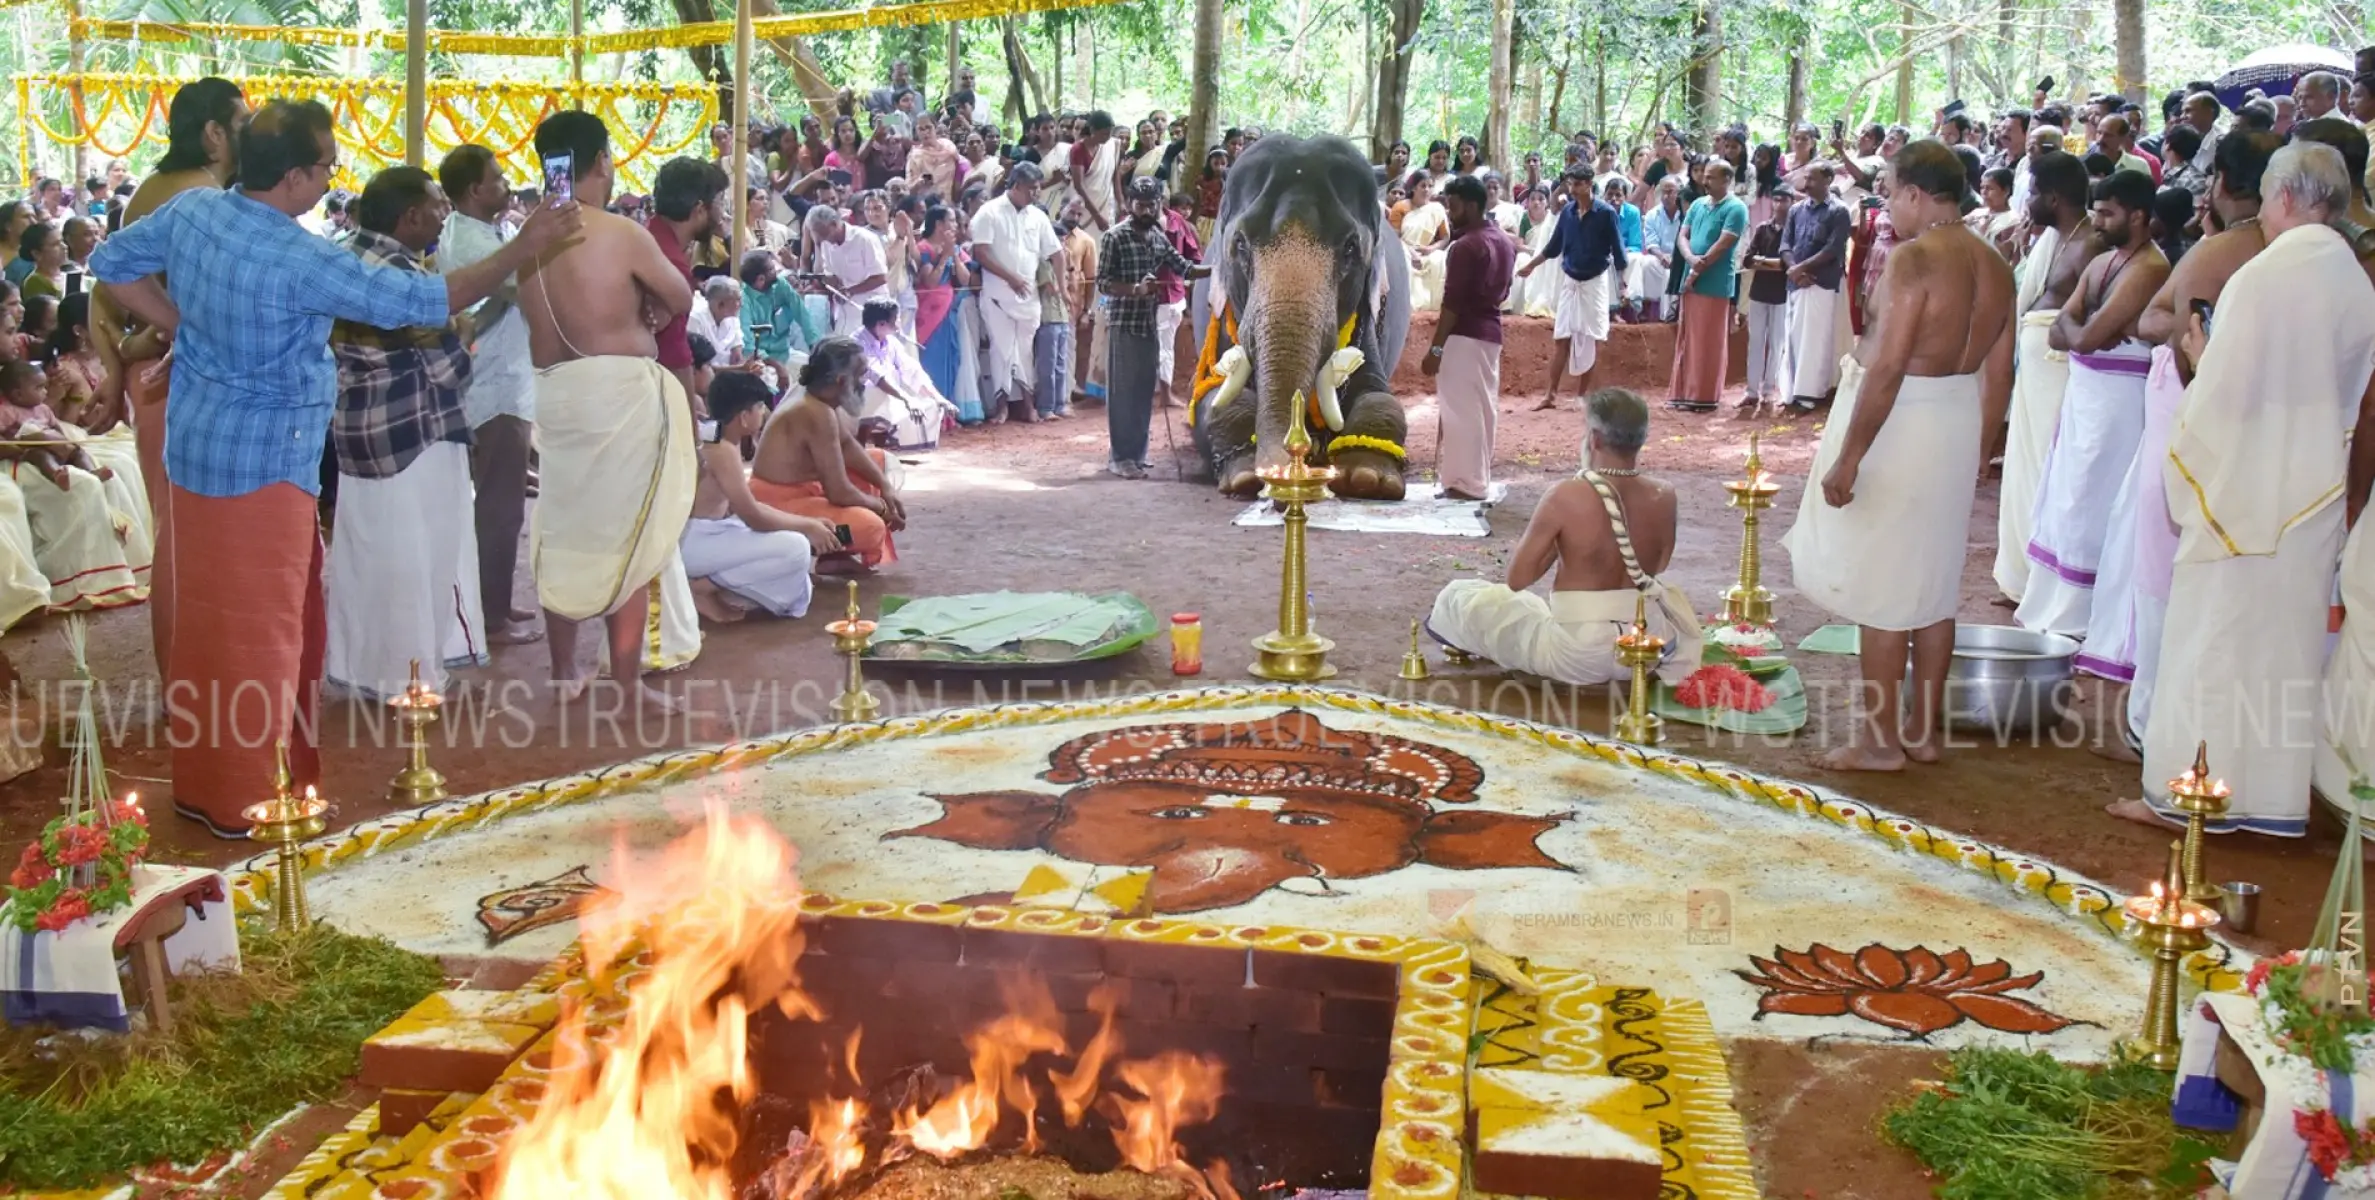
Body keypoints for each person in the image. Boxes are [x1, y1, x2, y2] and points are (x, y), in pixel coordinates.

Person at [89, 99, 571, 835]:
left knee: (212, 627)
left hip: (196, 451)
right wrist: (521, 247)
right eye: (325, 167)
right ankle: (251, 800)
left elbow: (111, 262)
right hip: (267, 462)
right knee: (265, 635)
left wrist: (182, 327)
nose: (330, 179)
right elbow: (427, 299)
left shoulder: (193, 215)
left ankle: (204, 783)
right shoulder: (299, 257)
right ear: (292, 178)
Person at [2108, 143, 2375, 837]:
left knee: (2212, 644)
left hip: (2242, 487)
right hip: (2314, 484)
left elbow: (2221, 391)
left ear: (2280, 196)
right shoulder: (2352, 279)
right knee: (2282, 651)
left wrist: (2197, 356)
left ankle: (2182, 795)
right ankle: (2273, 801)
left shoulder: (2263, 276)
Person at [1782, 139, 2015, 771]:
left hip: (1901, 423)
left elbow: (1886, 370)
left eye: (1888, 190)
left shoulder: (1914, 262)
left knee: (1886, 585)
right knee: (1932, 586)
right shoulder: (1995, 264)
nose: (1886, 204)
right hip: (1955, 422)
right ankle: (1923, 730)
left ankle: (1882, 740)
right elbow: (2000, 373)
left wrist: (1850, 456)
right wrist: (1980, 450)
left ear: (1916, 193)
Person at [2090, 130, 2281, 762]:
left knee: (2160, 565)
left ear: (2223, 183)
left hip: (2187, 416)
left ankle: (2150, 723)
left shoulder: (2221, 249)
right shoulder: (2298, 253)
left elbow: (2158, 323)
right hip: (2254, 432)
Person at [513, 113, 697, 714]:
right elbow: (680, 295)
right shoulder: (619, 232)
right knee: (628, 530)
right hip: (616, 388)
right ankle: (624, 681)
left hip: (558, 391)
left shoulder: (528, 238)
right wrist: (654, 312)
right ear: (599, 162)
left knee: (565, 524)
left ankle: (565, 668)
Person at [89, 78, 244, 678]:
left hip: (153, 375)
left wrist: (116, 361)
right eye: (243, 121)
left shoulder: (152, 190)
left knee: (178, 532)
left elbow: (102, 296)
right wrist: (174, 328)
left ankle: (188, 678)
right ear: (213, 133)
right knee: (192, 536)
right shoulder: (201, 199)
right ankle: (194, 681)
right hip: (179, 379)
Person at [322, 165, 488, 701]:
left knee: (368, 556)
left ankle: (364, 672)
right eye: (439, 206)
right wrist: (464, 333)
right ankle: (416, 680)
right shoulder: (405, 277)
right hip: (416, 432)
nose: (445, 216)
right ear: (410, 216)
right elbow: (448, 371)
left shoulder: (342, 256)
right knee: (421, 559)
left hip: (356, 428)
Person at [1427, 388, 1704, 684]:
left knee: (1460, 597)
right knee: (1530, 610)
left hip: (1579, 656)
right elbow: (1659, 565)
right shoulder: (1665, 495)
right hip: (1646, 645)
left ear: (1594, 439)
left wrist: (1565, 542)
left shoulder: (1566, 496)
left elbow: (1517, 580)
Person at [2015, 169, 2169, 641]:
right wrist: (2085, 334)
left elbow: (2087, 333)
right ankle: (2053, 608)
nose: (2097, 221)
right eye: (2096, 211)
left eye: (2107, 213)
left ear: (2138, 216)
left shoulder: (2151, 267)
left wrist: (2083, 334)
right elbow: (2066, 323)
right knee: (2066, 497)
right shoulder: (2105, 261)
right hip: (2083, 396)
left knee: (2094, 502)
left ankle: (2085, 618)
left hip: (2119, 405)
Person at [437, 145, 543, 649]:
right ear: (476, 191)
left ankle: (494, 603)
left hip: (503, 382)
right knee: (500, 506)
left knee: (503, 503)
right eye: (498, 179)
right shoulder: (475, 242)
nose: (506, 185)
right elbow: (518, 293)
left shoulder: (480, 233)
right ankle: (491, 616)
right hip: (493, 388)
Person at [1994, 150, 2101, 606]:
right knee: (2022, 471)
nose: (2028, 200)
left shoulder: (2091, 243)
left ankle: (2041, 584)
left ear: (2054, 197)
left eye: (2034, 192)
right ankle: (2017, 577)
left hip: (2059, 376)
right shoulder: (2049, 238)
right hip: (2034, 375)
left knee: (2047, 474)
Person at [681, 371, 838, 622]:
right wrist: (807, 525)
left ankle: (706, 586)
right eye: (759, 406)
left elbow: (746, 508)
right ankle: (701, 589)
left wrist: (810, 523)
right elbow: (753, 515)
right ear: (744, 417)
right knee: (797, 548)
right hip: (693, 543)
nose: (764, 411)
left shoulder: (716, 438)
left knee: (796, 540)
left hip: (705, 534)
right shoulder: (721, 449)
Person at [750, 336, 907, 571]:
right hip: (776, 504)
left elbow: (846, 446)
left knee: (878, 461)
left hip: (804, 491)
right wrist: (882, 509)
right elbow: (839, 492)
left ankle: (833, 557)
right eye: (861, 375)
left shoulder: (816, 398)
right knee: (869, 528)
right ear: (842, 380)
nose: (864, 383)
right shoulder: (815, 412)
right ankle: (813, 545)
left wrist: (884, 485)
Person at [1096, 178, 1207, 480]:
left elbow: (1183, 266)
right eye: (1140, 204)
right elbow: (1103, 282)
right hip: (1124, 323)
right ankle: (1120, 458)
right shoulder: (1114, 237)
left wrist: (1216, 267)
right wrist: (1134, 289)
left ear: (1160, 204)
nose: (1146, 209)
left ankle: (1138, 455)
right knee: (1123, 394)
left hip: (1149, 322)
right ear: (1129, 205)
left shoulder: (1157, 235)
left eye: (1152, 204)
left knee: (1145, 389)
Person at [1423, 175, 1516, 502]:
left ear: (1473, 206)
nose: (1449, 211)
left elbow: (1452, 303)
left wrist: (1435, 347)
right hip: (1491, 331)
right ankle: (1474, 478)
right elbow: (1506, 292)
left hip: (1464, 335)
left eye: (1454, 205)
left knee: (1461, 411)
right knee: (1482, 408)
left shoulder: (1465, 247)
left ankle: (1465, 483)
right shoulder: (1504, 240)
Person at [1516, 167, 1624, 411]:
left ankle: (1582, 396)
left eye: (1575, 185)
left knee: (1591, 337)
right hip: (1570, 280)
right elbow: (1554, 246)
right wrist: (1531, 266)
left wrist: (1623, 285)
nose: (1571, 190)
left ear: (1588, 184)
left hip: (1595, 281)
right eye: (1569, 184)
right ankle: (1550, 395)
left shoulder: (1606, 214)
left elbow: (1618, 251)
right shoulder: (1568, 212)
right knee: (1562, 337)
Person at [972, 162, 1065, 424]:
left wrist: (1061, 286)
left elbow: (1056, 254)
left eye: (1038, 188)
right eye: (1032, 189)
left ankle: (1028, 406)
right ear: (1015, 186)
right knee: (1001, 350)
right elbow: (981, 252)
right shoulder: (988, 212)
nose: (1037, 193)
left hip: (1029, 298)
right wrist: (1010, 277)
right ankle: (1002, 408)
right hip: (997, 295)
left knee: (1025, 351)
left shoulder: (1038, 216)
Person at [1667, 160, 1748, 413]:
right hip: (1691, 278)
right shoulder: (1699, 205)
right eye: (1705, 176)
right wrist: (1691, 260)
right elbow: (1683, 235)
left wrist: (1699, 267)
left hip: (1714, 282)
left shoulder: (1736, 208)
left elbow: (1725, 243)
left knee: (1708, 340)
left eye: (1712, 177)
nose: (1705, 181)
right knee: (1688, 337)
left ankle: (1704, 395)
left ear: (1727, 180)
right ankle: (1683, 392)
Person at [1780, 161, 1853, 412]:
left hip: (1822, 283)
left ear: (1829, 180)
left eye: (1812, 179)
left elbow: (1833, 249)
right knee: (1794, 336)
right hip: (1796, 283)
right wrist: (1794, 269)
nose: (1806, 184)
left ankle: (1810, 393)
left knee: (1816, 339)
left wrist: (1803, 268)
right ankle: (1791, 391)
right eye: (1805, 178)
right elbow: (1785, 244)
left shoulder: (1839, 211)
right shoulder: (1796, 210)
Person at [854, 298, 954, 451]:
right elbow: (878, 377)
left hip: (880, 400)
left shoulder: (891, 342)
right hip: (852, 404)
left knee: (931, 405)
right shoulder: (857, 343)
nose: (899, 322)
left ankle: (885, 444)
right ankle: (859, 447)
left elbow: (912, 371)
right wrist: (908, 400)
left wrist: (939, 398)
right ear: (881, 324)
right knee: (877, 392)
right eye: (896, 318)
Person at [812, 201, 890, 337]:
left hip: (871, 312)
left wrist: (850, 291)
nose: (823, 239)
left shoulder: (865, 239)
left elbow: (880, 277)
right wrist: (828, 281)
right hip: (845, 313)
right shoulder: (826, 244)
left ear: (834, 224)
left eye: (825, 234)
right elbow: (831, 275)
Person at [1398, 172, 1449, 311]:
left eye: (1430, 186)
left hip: (1426, 250)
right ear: (1414, 188)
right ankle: (1406, 306)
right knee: (1404, 258)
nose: (1427, 189)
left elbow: (1445, 238)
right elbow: (1394, 237)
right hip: (1404, 248)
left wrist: (1431, 249)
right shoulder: (1401, 207)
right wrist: (1412, 252)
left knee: (1439, 259)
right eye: (1423, 186)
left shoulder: (1437, 209)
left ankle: (1435, 306)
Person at [688, 276, 745, 365]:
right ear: (720, 304)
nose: (741, 304)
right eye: (738, 300)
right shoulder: (695, 320)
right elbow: (700, 367)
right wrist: (740, 369)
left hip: (727, 374)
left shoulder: (733, 318)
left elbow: (737, 356)